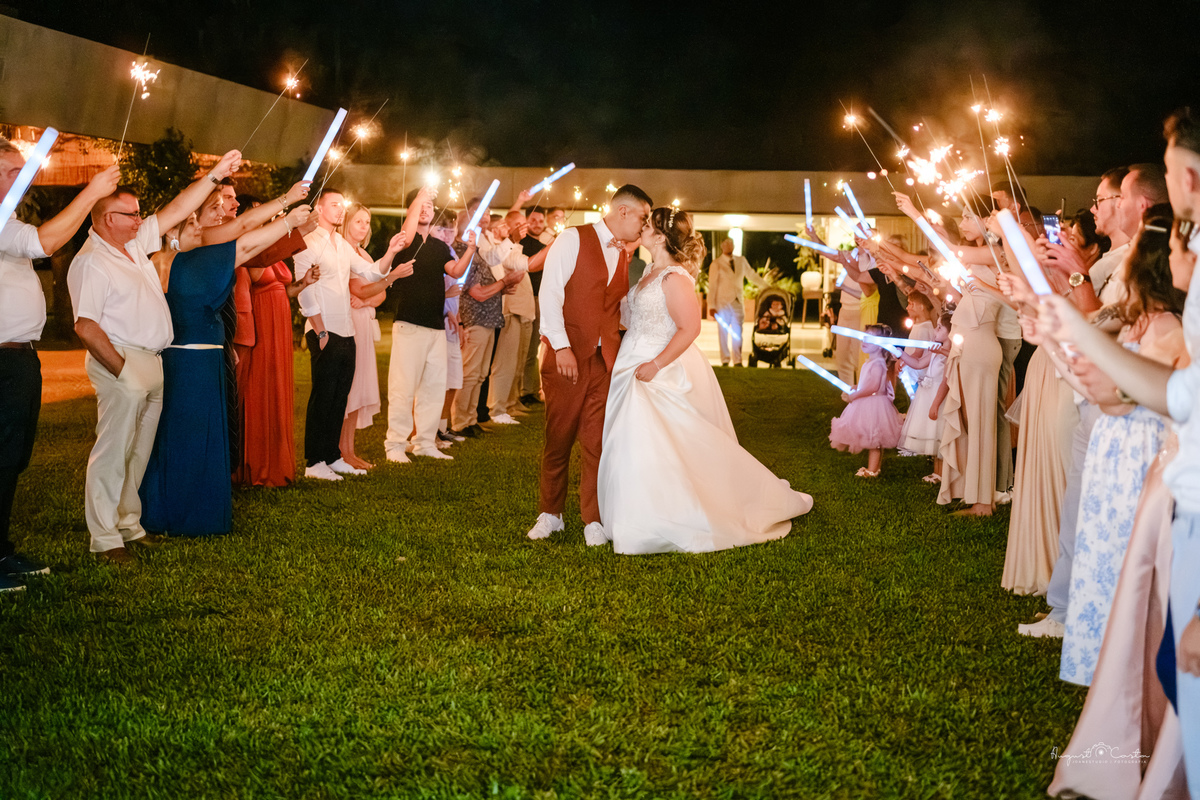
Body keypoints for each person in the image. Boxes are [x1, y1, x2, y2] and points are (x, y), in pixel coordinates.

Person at [597, 206, 812, 553]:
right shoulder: (650, 271)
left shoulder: (674, 278)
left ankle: (662, 519)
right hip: (632, 361)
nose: (642, 228)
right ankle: (634, 516)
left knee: (663, 440)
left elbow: (690, 328)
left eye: (648, 225)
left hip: (660, 368)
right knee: (632, 442)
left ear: (661, 237)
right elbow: (631, 315)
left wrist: (655, 364)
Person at [67, 150, 242, 563]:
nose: (140, 219)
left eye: (139, 213)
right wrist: (123, 371)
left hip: (153, 360)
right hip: (122, 362)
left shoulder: (133, 244)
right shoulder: (92, 262)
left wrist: (215, 174)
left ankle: (130, 524)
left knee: (139, 453)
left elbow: (178, 208)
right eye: (131, 214)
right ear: (107, 219)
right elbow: (85, 326)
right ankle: (104, 538)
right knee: (113, 453)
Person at [1059, 207, 1186, 687]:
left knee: (1132, 567)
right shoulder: (1132, 318)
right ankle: (1105, 668)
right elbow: (1084, 331)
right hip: (1113, 450)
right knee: (1104, 558)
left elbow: (1124, 394)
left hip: (1144, 456)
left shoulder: (1172, 330)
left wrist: (1111, 387)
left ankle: (1131, 678)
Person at [139, 203, 311, 536]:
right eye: (190, 222)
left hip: (182, 359)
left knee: (176, 436)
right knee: (196, 437)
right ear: (171, 231)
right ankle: (194, 514)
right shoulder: (192, 263)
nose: (199, 228)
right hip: (195, 364)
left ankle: (165, 508)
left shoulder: (157, 262)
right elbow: (246, 241)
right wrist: (287, 216)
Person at [0, 144, 120, 590]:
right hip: (3, 359)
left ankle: (1, 550)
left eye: (23, 170)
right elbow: (44, 242)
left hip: (19, 357)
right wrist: (92, 192)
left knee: (11, 458)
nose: (21, 178)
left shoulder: (8, 221)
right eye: (9, 170)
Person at [526, 185, 653, 545]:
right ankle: (550, 514)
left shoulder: (624, 254)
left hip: (605, 361)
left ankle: (592, 519)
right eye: (643, 217)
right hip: (567, 358)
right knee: (559, 438)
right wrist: (561, 347)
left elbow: (615, 307)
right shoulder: (572, 238)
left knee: (596, 441)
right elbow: (550, 293)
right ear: (624, 211)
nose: (644, 226)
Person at [294, 189, 411, 480]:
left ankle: (333, 456)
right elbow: (304, 290)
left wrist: (391, 252)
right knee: (323, 396)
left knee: (339, 397)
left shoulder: (342, 245)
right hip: (324, 330)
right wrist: (320, 330)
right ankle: (314, 463)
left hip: (347, 330)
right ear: (319, 209)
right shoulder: (308, 241)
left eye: (341, 205)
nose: (340, 210)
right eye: (334, 204)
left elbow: (371, 272)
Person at [383, 188, 478, 463]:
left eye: (430, 205)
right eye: (421, 205)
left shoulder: (439, 246)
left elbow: (456, 271)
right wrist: (420, 196)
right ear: (411, 208)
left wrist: (471, 249)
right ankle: (395, 445)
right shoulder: (404, 240)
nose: (426, 209)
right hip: (409, 323)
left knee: (433, 387)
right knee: (403, 388)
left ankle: (424, 442)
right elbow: (408, 230)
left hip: (436, 327)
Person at [233, 196, 318, 487]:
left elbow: (284, 289)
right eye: (255, 212)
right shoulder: (249, 247)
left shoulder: (270, 247)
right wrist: (290, 233)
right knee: (260, 388)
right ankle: (257, 464)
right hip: (261, 321)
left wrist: (303, 283)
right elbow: (258, 272)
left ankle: (277, 462)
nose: (263, 216)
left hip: (279, 322)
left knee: (278, 385)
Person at [340, 203, 387, 470]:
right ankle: (340, 450)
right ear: (346, 222)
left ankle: (350, 449)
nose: (363, 226)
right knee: (349, 387)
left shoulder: (365, 254)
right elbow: (358, 288)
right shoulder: (342, 250)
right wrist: (377, 288)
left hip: (364, 320)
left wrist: (369, 299)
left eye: (367, 222)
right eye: (358, 221)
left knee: (359, 387)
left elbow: (381, 294)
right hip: (350, 322)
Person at [829, 324, 904, 478]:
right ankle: (874, 468)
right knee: (875, 438)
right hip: (871, 402)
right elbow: (867, 383)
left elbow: (874, 386)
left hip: (874, 404)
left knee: (874, 439)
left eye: (870, 338)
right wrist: (856, 387)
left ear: (880, 345)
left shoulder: (878, 364)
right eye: (864, 337)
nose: (864, 341)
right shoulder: (869, 362)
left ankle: (872, 470)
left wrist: (856, 395)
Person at [896, 307, 951, 472]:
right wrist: (901, 355)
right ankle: (936, 471)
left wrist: (936, 404)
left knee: (939, 433)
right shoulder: (935, 350)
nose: (935, 330)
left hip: (939, 397)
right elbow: (919, 363)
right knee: (931, 434)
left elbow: (945, 382)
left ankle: (941, 473)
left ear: (951, 332)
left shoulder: (949, 355)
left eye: (939, 327)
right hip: (927, 395)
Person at [706, 237, 768, 366]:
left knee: (738, 332)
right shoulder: (716, 263)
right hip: (722, 303)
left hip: (738, 301)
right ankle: (725, 359)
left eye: (731, 243)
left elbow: (752, 275)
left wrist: (767, 287)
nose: (728, 246)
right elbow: (712, 286)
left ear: (733, 246)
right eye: (726, 244)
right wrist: (711, 305)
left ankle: (738, 360)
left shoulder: (741, 260)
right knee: (723, 333)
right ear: (722, 246)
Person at [519, 206, 551, 406]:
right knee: (527, 348)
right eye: (533, 220)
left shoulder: (542, 244)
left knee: (535, 347)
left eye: (540, 221)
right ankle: (524, 391)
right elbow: (532, 266)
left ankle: (531, 389)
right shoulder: (523, 245)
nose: (538, 224)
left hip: (542, 299)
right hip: (528, 298)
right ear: (526, 221)